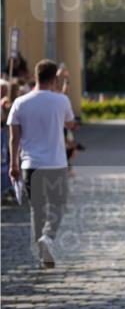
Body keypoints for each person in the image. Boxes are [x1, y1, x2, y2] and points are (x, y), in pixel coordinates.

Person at [7, 59, 76, 268]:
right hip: (56, 164)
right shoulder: (61, 101)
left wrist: (13, 165)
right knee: (59, 206)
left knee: (37, 209)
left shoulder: (20, 102)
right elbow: (71, 123)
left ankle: (40, 254)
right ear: (54, 78)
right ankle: (48, 238)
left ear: (35, 77)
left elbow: (13, 137)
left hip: (30, 165)